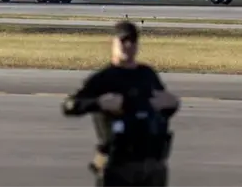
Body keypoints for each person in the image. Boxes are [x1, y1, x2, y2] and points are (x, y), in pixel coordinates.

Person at [61, 20, 180, 187]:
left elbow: (165, 108)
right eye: (123, 41)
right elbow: (70, 106)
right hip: (118, 166)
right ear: (114, 43)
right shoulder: (105, 78)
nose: (128, 45)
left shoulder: (147, 75)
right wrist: (98, 103)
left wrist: (172, 103)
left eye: (132, 41)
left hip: (151, 166)